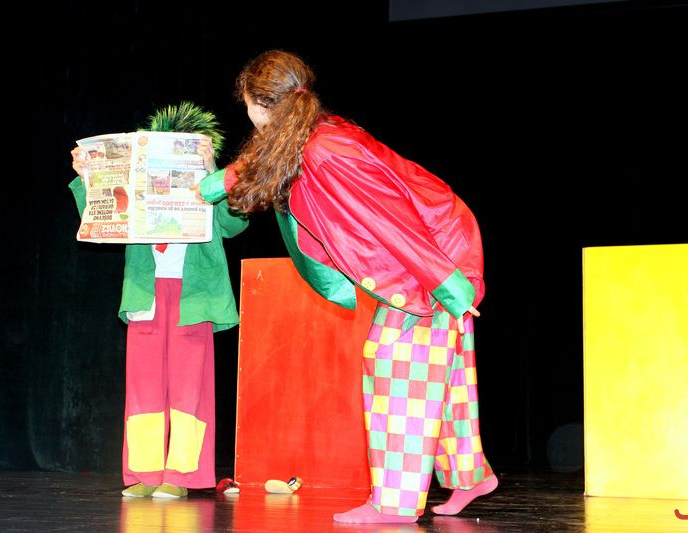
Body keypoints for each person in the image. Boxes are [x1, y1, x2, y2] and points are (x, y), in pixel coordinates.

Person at [198, 50, 497, 523]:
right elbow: (260, 161)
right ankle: (470, 476)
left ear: (259, 105)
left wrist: (447, 284)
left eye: (247, 106)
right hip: (429, 254)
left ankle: (394, 504)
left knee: (397, 370)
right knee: (442, 373)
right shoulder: (306, 133)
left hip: (431, 256)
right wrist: (215, 182)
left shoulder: (326, 150)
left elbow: (391, 221)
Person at [69, 102, 248, 498]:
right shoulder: (138, 184)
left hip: (194, 296)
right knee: (144, 386)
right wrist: (87, 177)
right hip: (146, 293)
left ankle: (182, 475)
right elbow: (100, 219)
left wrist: (213, 173)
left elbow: (235, 223)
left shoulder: (209, 185)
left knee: (189, 387)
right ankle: (144, 473)